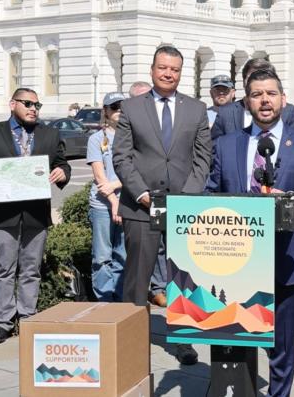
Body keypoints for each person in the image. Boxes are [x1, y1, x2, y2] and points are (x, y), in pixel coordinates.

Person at [206, 68, 294, 397]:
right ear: (246, 102)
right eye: (257, 94)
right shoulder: (226, 145)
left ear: (283, 100)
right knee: (236, 340)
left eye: (271, 94)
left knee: (281, 346)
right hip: (235, 263)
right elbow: (209, 194)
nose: (264, 100)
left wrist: (290, 202)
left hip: (286, 259)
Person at [113, 46, 213, 365]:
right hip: (141, 207)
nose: (169, 73)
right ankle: (132, 338)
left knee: (182, 279)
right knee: (138, 277)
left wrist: (189, 197)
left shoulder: (196, 110)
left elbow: (202, 158)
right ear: (152, 69)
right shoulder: (131, 108)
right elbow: (122, 156)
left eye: (175, 69)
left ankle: (183, 340)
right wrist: (141, 193)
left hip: (183, 208)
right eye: (163, 68)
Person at [0, 88, 70, 344]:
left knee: (31, 269)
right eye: (28, 103)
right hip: (4, 214)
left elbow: (62, 163)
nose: (34, 108)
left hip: (36, 213)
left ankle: (28, 318)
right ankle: (1, 323)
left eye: (37, 104)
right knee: (3, 268)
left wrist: (62, 173)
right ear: (13, 104)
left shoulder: (50, 134)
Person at [126, 80, 169, 307]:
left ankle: (161, 287)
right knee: (140, 263)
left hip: (172, 197)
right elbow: (122, 159)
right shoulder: (129, 118)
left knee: (165, 246)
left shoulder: (171, 117)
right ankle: (132, 332)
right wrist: (141, 193)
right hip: (141, 200)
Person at [87, 92, 127, 302]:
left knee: (123, 256)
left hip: (127, 203)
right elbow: (99, 176)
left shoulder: (132, 138)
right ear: (106, 111)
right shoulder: (96, 139)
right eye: (114, 107)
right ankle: (104, 301)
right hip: (103, 205)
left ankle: (120, 301)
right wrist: (114, 202)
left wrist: (118, 188)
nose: (118, 110)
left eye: (122, 106)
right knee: (102, 257)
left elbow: (136, 172)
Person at [210, 58, 294, 140]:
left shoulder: (288, 111)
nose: (257, 81)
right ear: (243, 81)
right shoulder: (225, 113)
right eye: (252, 77)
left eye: (262, 76)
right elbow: (214, 150)